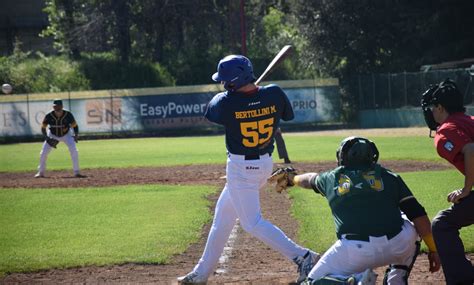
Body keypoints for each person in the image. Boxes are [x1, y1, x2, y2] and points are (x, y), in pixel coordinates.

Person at [177, 55, 319, 284]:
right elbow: (287, 114)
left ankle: (303, 256)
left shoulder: (225, 103)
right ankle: (201, 273)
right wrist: (259, 98)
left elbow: (211, 110)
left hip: (241, 169)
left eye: (226, 81)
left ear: (233, 81)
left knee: (251, 223)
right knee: (222, 217)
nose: (223, 84)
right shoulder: (274, 93)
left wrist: (246, 100)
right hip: (264, 164)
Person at [273, 136, 440, 285]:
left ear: (342, 156)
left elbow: (309, 179)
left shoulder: (332, 178)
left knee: (312, 282)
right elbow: (420, 217)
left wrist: (292, 178)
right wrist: (433, 250)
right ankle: (396, 279)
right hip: (399, 245)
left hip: (356, 251)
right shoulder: (389, 176)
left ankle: (353, 281)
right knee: (409, 222)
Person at [421, 78, 474, 285]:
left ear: (441, 108)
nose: (431, 112)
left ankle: (462, 280)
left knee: (442, 224)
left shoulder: (445, 131)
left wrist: (466, 189)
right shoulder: (469, 120)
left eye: (433, 107)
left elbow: (470, 149)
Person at [35, 99, 85, 178]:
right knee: (43, 153)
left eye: (58, 106)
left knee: (74, 151)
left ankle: (76, 172)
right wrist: (47, 138)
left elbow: (75, 126)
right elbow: (43, 127)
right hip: (52, 134)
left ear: (62, 106)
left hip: (66, 135)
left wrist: (76, 135)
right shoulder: (49, 115)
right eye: (54, 106)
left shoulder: (68, 114)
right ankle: (41, 172)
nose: (56, 107)